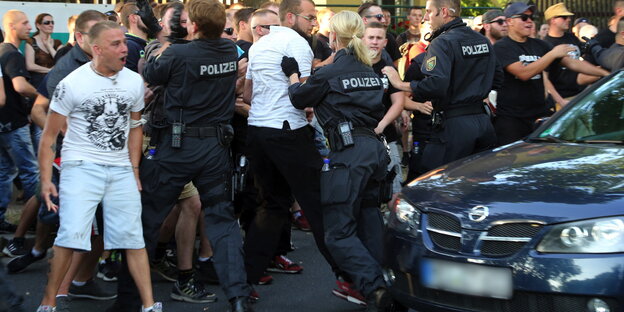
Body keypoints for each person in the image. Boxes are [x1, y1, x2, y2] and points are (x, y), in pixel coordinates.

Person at [118, 0, 252, 311]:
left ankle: (129, 297)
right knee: (222, 222)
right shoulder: (229, 51)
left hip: (177, 148)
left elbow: (149, 72)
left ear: (192, 25)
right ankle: (239, 297)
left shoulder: (178, 53)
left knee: (147, 218)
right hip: (216, 149)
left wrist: (170, 42)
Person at [37, 20, 160, 312]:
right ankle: (49, 302)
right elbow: (49, 136)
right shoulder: (72, 84)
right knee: (70, 236)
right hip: (81, 167)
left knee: (133, 238)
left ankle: (149, 305)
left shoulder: (132, 81)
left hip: (120, 170)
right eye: (116, 44)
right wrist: (46, 180)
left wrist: (134, 169)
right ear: (97, 49)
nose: (124, 49)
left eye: (123, 42)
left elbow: (135, 127)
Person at [283, 10, 391, 311]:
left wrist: (292, 74)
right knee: (369, 220)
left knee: (338, 232)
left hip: (350, 154)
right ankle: (387, 280)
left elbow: (298, 98)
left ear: (333, 37)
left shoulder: (329, 73)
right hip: (374, 152)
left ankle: (375, 286)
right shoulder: (369, 71)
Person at [383, 0, 500, 172]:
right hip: (483, 123)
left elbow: (435, 85)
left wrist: (399, 83)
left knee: (434, 180)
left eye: (429, 11)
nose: (425, 18)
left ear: (443, 12)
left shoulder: (442, 42)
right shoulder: (481, 39)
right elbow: (497, 79)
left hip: (454, 126)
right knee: (476, 181)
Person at [492, 2, 608, 145]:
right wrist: (552, 54)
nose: (529, 21)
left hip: (540, 115)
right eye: (523, 18)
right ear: (509, 21)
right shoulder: (502, 47)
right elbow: (523, 73)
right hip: (513, 119)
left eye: (531, 17)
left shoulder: (539, 45)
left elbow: (571, 63)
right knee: (512, 162)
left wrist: (605, 73)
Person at [0, 10, 39, 234]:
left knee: (5, 172)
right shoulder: (13, 54)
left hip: (4, 123)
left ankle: (2, 217)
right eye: (25, 23)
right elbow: (21, 86)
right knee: (30, 172)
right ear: (12, 26)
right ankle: (36, 217)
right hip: (14, 125)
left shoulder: (1, 51)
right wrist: (43, 97)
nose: (29, 27)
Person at [363, 22, 404, 208]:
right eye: (370, 37)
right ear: (362, 40)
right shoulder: (353, 66)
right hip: (359, 140)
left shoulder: (388, 69)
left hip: (387, 137)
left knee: (394, 193)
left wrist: (381, 125)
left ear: (385, 42)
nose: (374, 42)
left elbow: (398, 103)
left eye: (378, 38)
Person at [542, 3, 606, 109]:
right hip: (565, 99)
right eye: (564, 17)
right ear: (553, 20)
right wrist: (561, 101)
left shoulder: (571, 37)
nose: (568, 19)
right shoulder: (545, 45)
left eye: (569, 17)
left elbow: (581, 59)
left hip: (583, 94)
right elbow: (545, 79)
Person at [25, 13, 62, 89]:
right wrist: (49, 70)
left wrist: (49, 46)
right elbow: (30, 66)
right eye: (47, 22)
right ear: (38, 25)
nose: (51, 25)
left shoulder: (57, 42)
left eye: (52, 22)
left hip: (55, 83)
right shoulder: (31, 42)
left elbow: (61, 62)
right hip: (37, 84)